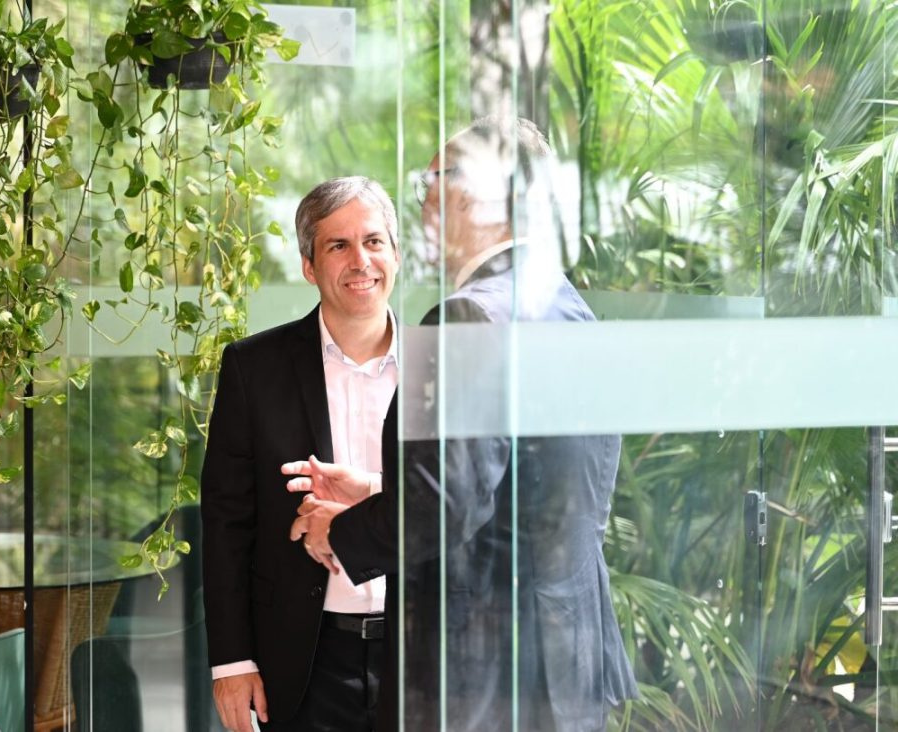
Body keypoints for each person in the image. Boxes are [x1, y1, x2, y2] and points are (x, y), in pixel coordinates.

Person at [287, 117, 638, 731]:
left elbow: (445, 504)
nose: (423, 203)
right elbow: (525, 488)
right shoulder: (564, 304)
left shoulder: (468, 316)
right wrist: (380, 490)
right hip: (562, 659)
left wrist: (338, 532)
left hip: (489, 671)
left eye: (432, 182)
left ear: (477, 192)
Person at [200, 176, 400, 732]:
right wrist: (232, 662)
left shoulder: (442, 368)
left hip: (420, 654)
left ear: (396, 253)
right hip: (303, 661)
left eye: (374, 241)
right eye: (338, 245)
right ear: (309, 266)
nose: (361, 260)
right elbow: (226, 523)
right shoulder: (253, 368)